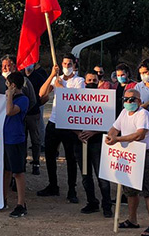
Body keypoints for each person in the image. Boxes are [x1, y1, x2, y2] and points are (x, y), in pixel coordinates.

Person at [108, 89, 149, 236]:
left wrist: (117, 139)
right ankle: (132, 219)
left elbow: (140, 134)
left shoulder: (143, 114)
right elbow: (115, 127)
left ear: (139, 101)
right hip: (128, 154)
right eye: (126, 99)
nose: (129, 102)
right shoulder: (124, 113)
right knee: (130, 190)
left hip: (144, 154)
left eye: (132, 100)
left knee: (148, 190)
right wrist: (110, 135)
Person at [36, 54, 85, 202]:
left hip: (69, 123)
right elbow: (42, 93)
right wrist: (52, 75)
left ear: (74, 65)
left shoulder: (79, 81)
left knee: (71, 157)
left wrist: (61, 88)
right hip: (54, 120)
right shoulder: (57, 79)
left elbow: (75, 100)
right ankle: (53, 185)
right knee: (50, 155)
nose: (67, 67)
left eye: (69, 64)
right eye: (64, 64)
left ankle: (72, 189)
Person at [78, 70, 113, 217]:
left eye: (94, 80)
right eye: (89, 80)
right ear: (84, 82)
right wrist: (78, 134)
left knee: (102, 176)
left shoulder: (105, 100)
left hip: (98, 143)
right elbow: (68, 119)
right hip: (81, 143)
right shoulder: (76, 99)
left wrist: (93, 132)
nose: (91, 83)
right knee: (86, 175)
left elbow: (110, 122)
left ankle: (107, 205)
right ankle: (92, 202)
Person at [3, 72, 30, 217]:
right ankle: (3, 198)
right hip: (5, 139)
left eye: (8, 84)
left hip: (16, 139)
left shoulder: (23, 100)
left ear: (13, 85)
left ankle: (21, 204)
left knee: (17, 172)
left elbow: (9, 111)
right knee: (6, 171)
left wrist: (10, 96)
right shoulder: (8, 98)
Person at [23, 61, 49, 174]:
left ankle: (36, 163)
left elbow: (45, 96)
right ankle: (22, 162)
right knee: (22, 140)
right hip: (21, 114)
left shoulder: (39, 77)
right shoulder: (20, 76)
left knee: (36, 140)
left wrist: (37, 105)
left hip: (34, 114)